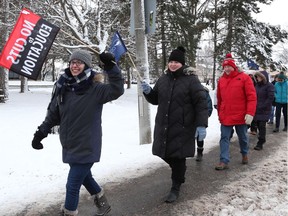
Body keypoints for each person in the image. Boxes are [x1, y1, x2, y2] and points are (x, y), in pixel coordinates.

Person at [31, 49, 124, 216]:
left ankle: (69, 212)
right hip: (69, 143)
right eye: (73, 62)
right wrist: (40, 134)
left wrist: (111, 67)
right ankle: (102, 202)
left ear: (86, 65)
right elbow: (53, 114)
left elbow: (117, 89)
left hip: (87, 143)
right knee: (85, 177)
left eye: (79, 63)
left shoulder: (96, 89)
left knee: (72, 184)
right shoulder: (63, 86)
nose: (75, 65)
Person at [141, 46, 208, 203]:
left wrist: (201, 124)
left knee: (178, 157)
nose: (172, 64)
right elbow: (155, 99)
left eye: (176, 62)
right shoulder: (163, 79)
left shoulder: (191, 80)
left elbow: (201, 103)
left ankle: (175, 186)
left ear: (182, 64)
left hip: (182, 126)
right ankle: (180, 173)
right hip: (164, 125)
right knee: (163, 152)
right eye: (171, 61)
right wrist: (147, 92)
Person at [215, 53, 256, 170]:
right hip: (226, 115)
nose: (227, 69)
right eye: (225, 67)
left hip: (241, 115)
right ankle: (223, 160)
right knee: (224, 138)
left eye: (229, 66)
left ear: (234, 66)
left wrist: (250, 113)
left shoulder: (244, 78)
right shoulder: (221, 80)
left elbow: (251, 97)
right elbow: (220, 98)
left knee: (242, 137)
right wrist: (220, 113)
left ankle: (244, 153)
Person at [252, 71, 275, 150]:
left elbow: (270, 98)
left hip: (264, 110)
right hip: (256, 109)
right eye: (257, 77)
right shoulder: (257, 86)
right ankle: (261, 139)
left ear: (263, 77)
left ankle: (260, 142)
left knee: (262, 126)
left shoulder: (269, 86)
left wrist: (262, 106)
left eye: (258, 77)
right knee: (258, 125)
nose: (257, 78)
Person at [196, 85, 213, 161]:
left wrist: (206, 115)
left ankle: (199, 152)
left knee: (200, 135)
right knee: (190, 135)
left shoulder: (204, 92)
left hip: (201, 117)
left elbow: (209, 105)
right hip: (189, 116)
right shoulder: (186, 89)